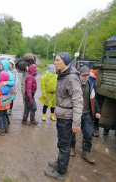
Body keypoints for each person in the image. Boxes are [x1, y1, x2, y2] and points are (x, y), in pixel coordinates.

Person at [44, 52, 83, 181]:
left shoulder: (71, 78)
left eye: (57, 60)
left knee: (65, 145)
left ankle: (60, 172)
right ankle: (60, 163)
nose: (55, 62)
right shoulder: (62, 75)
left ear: (65, 62)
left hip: (67, 118)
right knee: (62, 143)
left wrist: (76, 123)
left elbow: (78, 102)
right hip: (62, 116)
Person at [70, 66, 101, 163]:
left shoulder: (91, 84)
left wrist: (97, 111)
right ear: (79, 75)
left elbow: (94, 99)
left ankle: (85, 152)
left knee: (89, 133)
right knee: (72, 132)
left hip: (87, 113)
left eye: (87, 75)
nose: (85, 77)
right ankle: (72, 148)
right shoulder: (74, 84)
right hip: (75, 113)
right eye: (84, 76)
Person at [0, 71, 14, 135]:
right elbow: (12, 92)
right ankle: (6, 128)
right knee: (5, 115)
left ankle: (1, 129)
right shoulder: (10, 86)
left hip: (0, 105)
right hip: (6, 104)